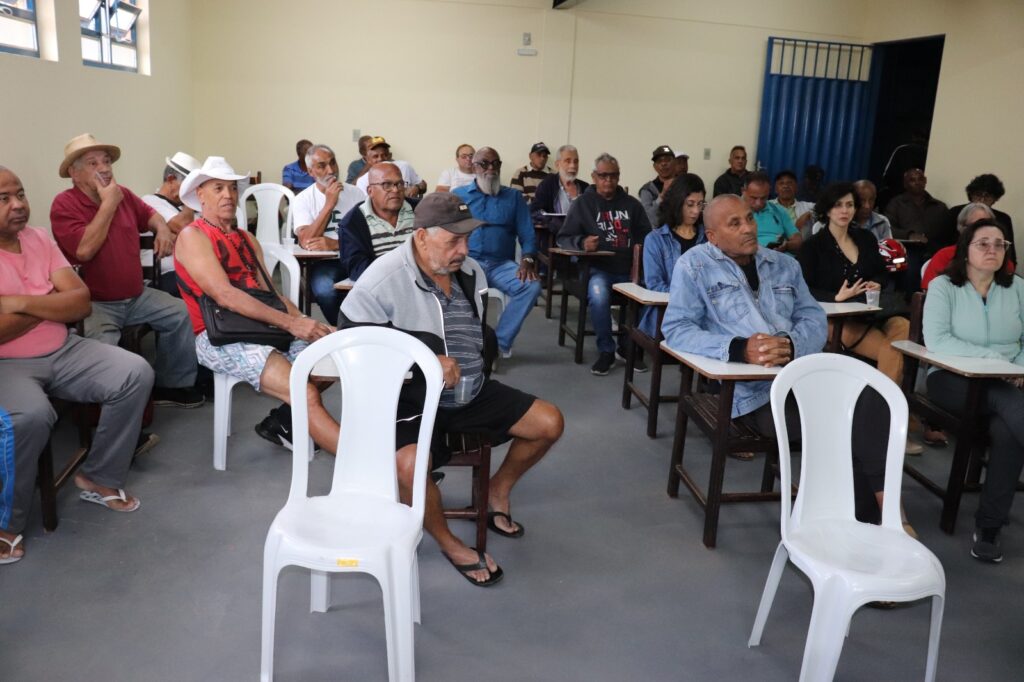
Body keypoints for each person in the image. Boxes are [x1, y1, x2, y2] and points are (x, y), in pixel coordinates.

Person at [340, 192, 564, 585]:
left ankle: (497, 490)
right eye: (453, 241)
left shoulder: (470, 271)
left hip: (468, 392)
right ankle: (449, 543)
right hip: (409, 400)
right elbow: (352, 350)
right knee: (409, 466)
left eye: (467, 239)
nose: (464, 250)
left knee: (549, 422)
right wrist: (422, 359)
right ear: (421, 236)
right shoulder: (381, 279)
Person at [661, 194, 897, 526]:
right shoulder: (694, 266)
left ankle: (876, 515)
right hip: (752, 391)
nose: (748, 228)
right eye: (734, 223)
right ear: (712, 236)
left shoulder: (784, 264)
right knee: (840, 424)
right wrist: (739, 348)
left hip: (803, 375)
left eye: (749, 218)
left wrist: (791, 344)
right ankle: (881, 519)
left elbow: (813, 318)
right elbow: (677, 328)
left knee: (871, 396)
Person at [0, 166, 153, 564]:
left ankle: (100, 477)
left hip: (64, 349)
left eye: (21, 194)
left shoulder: (38, 238)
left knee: (134, 372)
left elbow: (81, 301)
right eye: (4, 199)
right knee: (30, 417)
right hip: (8, 364)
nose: (18, 205)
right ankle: (7, 523)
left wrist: (20, 303)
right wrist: (52, 301)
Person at [173, 157, 339, 451]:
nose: (228, 195)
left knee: (331, 360)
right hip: (218, 337)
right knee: (305, 392)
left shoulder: (247, 239)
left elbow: (272, 297)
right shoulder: (192, 236)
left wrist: (311, 324)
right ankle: (366, 466)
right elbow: (225, 295)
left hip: (261, 327)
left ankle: (282, 423)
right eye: (218, 188)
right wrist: (292, 324)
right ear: (200, 195)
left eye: (232, 188)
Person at [49, 133, 202, 408]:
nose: (104, 168)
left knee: (182, 313)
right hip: (95, 304)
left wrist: (162, 229)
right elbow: (84, 251)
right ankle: (107, 410)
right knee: (106, 354)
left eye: (107, 161)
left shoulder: (125, 195)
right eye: (93, 163)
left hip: (137, 295)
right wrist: (109, 203)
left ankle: (171, 386)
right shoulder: (65, 204)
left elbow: (151, 215)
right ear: (74, 172)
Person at [923, 218, 1024, 563]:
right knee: (1004, 399)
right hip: (953, 379)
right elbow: (937, 340)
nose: (992, 249)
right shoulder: (943, 286)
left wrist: (1017, 369)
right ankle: (990, 524)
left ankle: (989, 526)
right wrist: (996, 362)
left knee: (1008, 431)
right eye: (983, 243)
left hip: (1009, 384)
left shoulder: (1017, 288)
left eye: (1000, 244)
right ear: (965, 249)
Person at [798, 183, 919, 455]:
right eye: (838, 205)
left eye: (850, 205)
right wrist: (835, 297)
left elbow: (882, 272)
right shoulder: (813, 246)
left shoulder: (865, 238)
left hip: (871, 311)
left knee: (904, 328)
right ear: (827, 210)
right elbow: (803, 289)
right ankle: (886, 426)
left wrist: (877, 283)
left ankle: (878, 420)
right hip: (837, 318)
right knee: (893, 351)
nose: (845, 210)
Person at [557, 153, 652, 375]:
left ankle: (627, 347)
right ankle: (606, 350)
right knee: (599, 295)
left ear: (619, 176)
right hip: (597, 270)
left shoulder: (632, 205)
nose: (608, 180)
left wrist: (639, 257)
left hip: (629, 270)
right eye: (603, 176)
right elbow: (563, 237)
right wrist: (582, 243)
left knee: (647, 296)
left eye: (613, 176)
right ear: (594, 177)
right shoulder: (583, 204)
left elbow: (647, 236)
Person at [453, 147, 541, 358]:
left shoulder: (514, 197)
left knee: (531, 286)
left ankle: (497, 344)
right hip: (467, 263)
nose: (490, 168)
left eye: (495, 163)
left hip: (500, 265)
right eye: (484, 164)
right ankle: (463, 344)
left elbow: (527, 233)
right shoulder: (458, 196)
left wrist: (528, 258)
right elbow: (447, 231)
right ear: (474, 167)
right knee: (445, 289)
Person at [290, 143, 366, 325]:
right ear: (311, 172)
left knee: (374, 285)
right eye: (322, 166)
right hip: (324, 264)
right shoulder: (303, 199)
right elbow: (306, 240)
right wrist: (329, 204)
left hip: (356, 257)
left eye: (333, 163)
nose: (331, 170)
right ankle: (345, 329)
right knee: (324, 290)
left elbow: (368, 235)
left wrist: (336, 244)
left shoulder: (356, 194)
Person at [639, 173, 706, 339]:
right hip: (669, 310)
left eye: (700, 204)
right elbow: (655, 285)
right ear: (677, 203)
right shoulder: (656, 240)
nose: (696, 211)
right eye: (690, 204)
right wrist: (691, 296)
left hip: (705, 311)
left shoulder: (708, 237)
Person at [339, 162, 417, 282]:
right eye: (387, 185)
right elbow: (357, 269)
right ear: (370, 191)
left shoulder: (420, 210)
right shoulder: (352, 223)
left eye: (400, 184)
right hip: (381, 287)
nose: (395, 190)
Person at [141, 151, 202, 296]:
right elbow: (184, 227)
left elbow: (206, 235)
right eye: (190, 186)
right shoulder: (150, 201)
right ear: (170, 179)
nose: (194, 192)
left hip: (192, 270)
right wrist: (190, 200)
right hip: (164, 275)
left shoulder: (187, 209)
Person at [921, 203, 997, 290]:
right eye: (975, 226)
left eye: (987, 225)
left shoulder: (998, 254)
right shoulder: (945, 255)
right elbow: (930, 290)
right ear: (962, 228)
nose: (982, 230)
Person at [946, 173, 1015, 265]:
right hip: (956, 261)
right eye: (978, 195)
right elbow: (943, 243)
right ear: (971, 195)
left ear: (995, 199)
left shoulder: (1003, 219)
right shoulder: (955, 212)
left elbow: (1010, 253)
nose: (982, 200)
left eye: (987, 196)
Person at [530, 144, 587, 238]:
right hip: (554, 240)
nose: (573, 166)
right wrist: (552, 221)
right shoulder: (547, 185)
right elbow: (534, 212)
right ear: (557, 164)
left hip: (581, 241)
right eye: (568, 161)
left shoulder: (585, 188)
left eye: (576, 161)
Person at [742, 171, 802, 253]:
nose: (758, 203)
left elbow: (797, 239)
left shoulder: (779, 210)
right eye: (754, 198)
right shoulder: (733, 211)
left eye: (763, 198)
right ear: (743, 191)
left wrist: (786, 245)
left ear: (769, 192)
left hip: (780, 256)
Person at [354, 137, 426, 198]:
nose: (380, 159)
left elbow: (423, 184)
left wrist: (417, 188)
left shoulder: (404, 166)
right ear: (368, 160)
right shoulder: (362, 181)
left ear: (389, 156)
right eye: (375, 156)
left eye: (384, 155)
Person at [638, 145, 678, 228]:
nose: (663, 164)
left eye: (667, 160)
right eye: (659, 161)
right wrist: (662, 196)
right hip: (659, 233)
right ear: (654, 167)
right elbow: (650, 219)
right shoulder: (647, 190)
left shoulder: (684, 184)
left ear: (675, 163)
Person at [768, 169, 814, 235]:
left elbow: (824, 210)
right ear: (776, 189)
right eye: (781, 183)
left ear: (796, 188)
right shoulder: (767, 205)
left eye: (789, 183)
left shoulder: (808, 207)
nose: (785, 186)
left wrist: (809, 213)